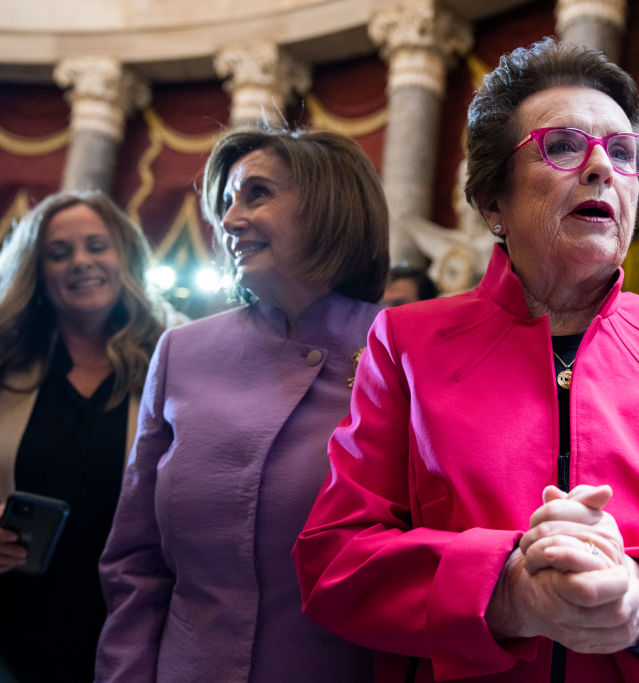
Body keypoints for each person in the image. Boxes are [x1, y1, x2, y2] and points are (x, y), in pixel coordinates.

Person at [293, 39, 639, 682]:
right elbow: (336, 559)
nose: (603, 167)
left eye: (624, 152)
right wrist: (508, 591)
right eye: (565, 145)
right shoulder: (405, 343)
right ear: (494, 202)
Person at [95, 126, 389, 681]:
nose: (229, 221)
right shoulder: (181, 350)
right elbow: (135, 563)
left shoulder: (402, 349)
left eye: (257, 194)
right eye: (227, 202)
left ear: (329, 206)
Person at [0, 190, 176, 681]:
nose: (80, 262)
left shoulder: (178, 358)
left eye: (96, 246)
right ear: (37, 271)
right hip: (12, 626)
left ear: (125, 257)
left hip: (127, 625)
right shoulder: (4, 360)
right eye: (59, 253)